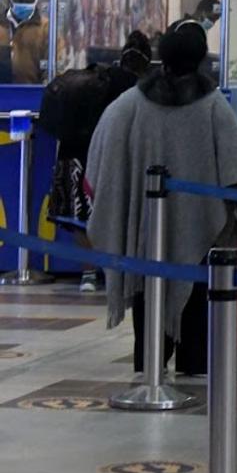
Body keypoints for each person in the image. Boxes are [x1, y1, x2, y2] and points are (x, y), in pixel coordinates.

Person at [86, 22, 237, 378]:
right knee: (195, 302)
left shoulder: (130, 103)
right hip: (201, 231)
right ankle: (192, 367)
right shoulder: (215, 107)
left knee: (148, 298)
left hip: (145, 230)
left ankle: (150, 368)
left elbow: (101, 159)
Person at [42, 32, 149, 291]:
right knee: (115, 216)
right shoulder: (137, 90)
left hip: (71, 155)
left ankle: (88, 274)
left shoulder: (96, 77)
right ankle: (118, 273)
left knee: (82, 217)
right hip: (104, 159)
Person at [8, 0, 48, 84]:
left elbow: (55, 63)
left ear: (35, 1)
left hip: (32, 93)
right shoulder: (2, 26)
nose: (23, 5)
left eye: (27, 1)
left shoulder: (45, 28)